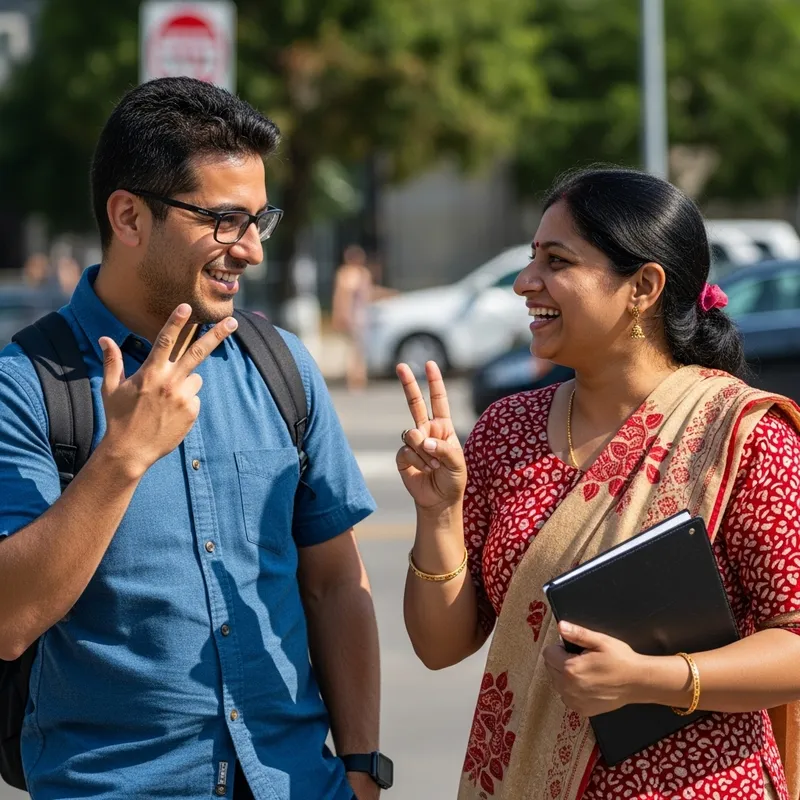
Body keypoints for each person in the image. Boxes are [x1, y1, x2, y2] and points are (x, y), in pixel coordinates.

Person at [0, 77, 388, 800]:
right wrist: (121, 457)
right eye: (224, 221)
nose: (251, 252)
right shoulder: (26, 385)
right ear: (128, 217)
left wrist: (362, 767)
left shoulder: (282, 366)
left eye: (258, 221)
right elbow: (7, 621)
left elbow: (336, 584)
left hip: (299, 782)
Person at [396, 167, 800, 800]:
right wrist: (439, 514)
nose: (526, 283)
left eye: (556, 261)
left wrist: (650, 679)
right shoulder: (509, 429)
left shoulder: (743, 435)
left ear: (642, 286)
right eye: (531, 259)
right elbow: (439, 646)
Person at [331, 245, 374, 392]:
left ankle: (360, 378)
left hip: (361, 314)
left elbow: (368, 294)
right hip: (353, 315)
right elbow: (342, 297)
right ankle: (354, 380)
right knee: (354, 348)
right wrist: (341, 314)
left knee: (360, 348)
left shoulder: (362, 273)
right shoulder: (347, 274)